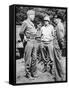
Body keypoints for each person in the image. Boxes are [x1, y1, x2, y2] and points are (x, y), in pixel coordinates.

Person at [41, 15, 65, 81]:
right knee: (45, 57)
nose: (45, 22)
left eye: (46, 21)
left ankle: (58, 75)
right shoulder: (42, 28)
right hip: (44, 42)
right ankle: (57, 76)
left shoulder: (54, 27)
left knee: (55, 59)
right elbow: (41, 35)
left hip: (52, 44)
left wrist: (61, 46)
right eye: (44, 21)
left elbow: (59, 37)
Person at [19, 10, 38, 80]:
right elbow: (21, 32)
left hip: (34, 41)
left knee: (34, 58)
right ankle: (28, 74)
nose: (34, 17)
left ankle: (33, 72)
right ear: (29, 15)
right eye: (33, 15)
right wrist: (23, 39)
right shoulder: (25, 22)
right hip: (29, 42)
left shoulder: (32, 23)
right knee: (28, 59)